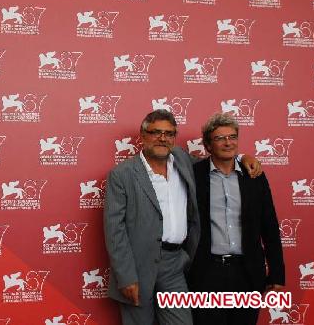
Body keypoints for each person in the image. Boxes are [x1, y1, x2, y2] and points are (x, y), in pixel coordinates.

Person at [104, 110, 262, 325]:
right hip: (138, 266)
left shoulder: (182, 160)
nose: (163, 138)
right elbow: (115, 231)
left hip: (174, 264)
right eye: (156, 132)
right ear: (143, 135)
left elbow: (216, 159)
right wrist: (126, 276)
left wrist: (242, 157)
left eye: (169, 133)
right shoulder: (122, 174)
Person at [187, 113, 284, 325]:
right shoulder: (193, 175)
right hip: (206, 273)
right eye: (220, 138)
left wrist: (277, 273)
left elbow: (269, 226)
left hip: (247, 272)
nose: (228, 142)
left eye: (232, 137)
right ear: (208, 145)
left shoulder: (254, 175)